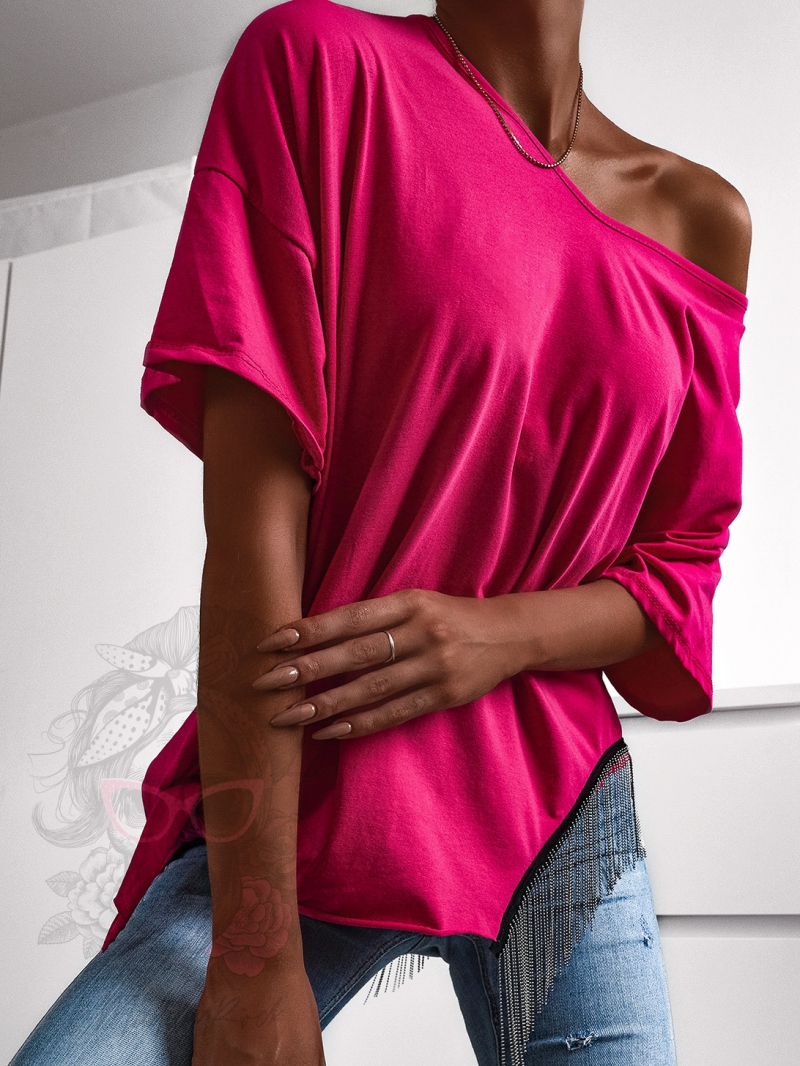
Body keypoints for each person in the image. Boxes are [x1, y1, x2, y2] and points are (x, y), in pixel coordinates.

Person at [9, 1, 751, 1064]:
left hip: (558, 811)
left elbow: (678, 570)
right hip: (311, 804)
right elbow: (250, 542)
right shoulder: (317, 67)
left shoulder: (701, 218)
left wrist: (492, 634)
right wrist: (254, 958)